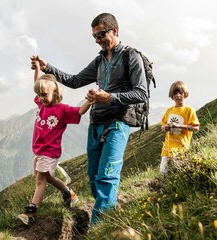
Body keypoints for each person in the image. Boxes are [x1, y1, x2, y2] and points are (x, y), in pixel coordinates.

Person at [30, 13, 148, 223]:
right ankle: (107, 214)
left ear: (115, 31)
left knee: (106, 177)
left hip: (118, 122)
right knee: (94, 177)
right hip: (96, 123)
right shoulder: (100, 60)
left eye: (101, 34)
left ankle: (99, 227)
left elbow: (141, 93)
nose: (97, 40)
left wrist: (109, 97)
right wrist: (47, 68)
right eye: (94, 36)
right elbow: (75, 81)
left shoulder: (131, 56)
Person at [17, 61, 92, 225]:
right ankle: (69, 193)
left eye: (44, 95)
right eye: (39, 95)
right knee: (48, 178)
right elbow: (38, 84)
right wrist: (37, 68)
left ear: (55, 92)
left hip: (49, 152)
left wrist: (89, 101)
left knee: (40, 181)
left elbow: (78, 111)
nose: (41, 98)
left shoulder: (62, 110)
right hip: (38, 151)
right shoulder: (41, 103)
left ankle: (31, 212)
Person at [160, 81, 200, 174]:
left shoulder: (189, 110)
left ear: (185, 94)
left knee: (178, 173)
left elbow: (196, 128)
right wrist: (165, 127)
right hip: (167, 148)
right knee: (163, 173)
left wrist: (180, 126)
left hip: (181, 148)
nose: (178, 96)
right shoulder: (169, 110)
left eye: (180, 93)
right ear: (172, 95)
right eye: (175, 93)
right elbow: (162, 126)